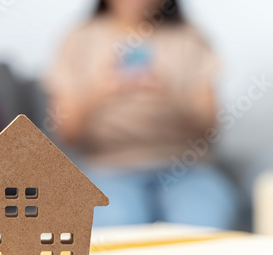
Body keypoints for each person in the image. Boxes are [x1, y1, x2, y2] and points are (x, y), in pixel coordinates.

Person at [45, 0, 239, 229]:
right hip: (106, 169)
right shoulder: (79, 39)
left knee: (203, 224)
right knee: (116, 228)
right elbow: (67, 133)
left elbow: (210, 129)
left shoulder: (189, 37)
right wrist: (102, 91)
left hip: (186, 168)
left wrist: (170, 94)